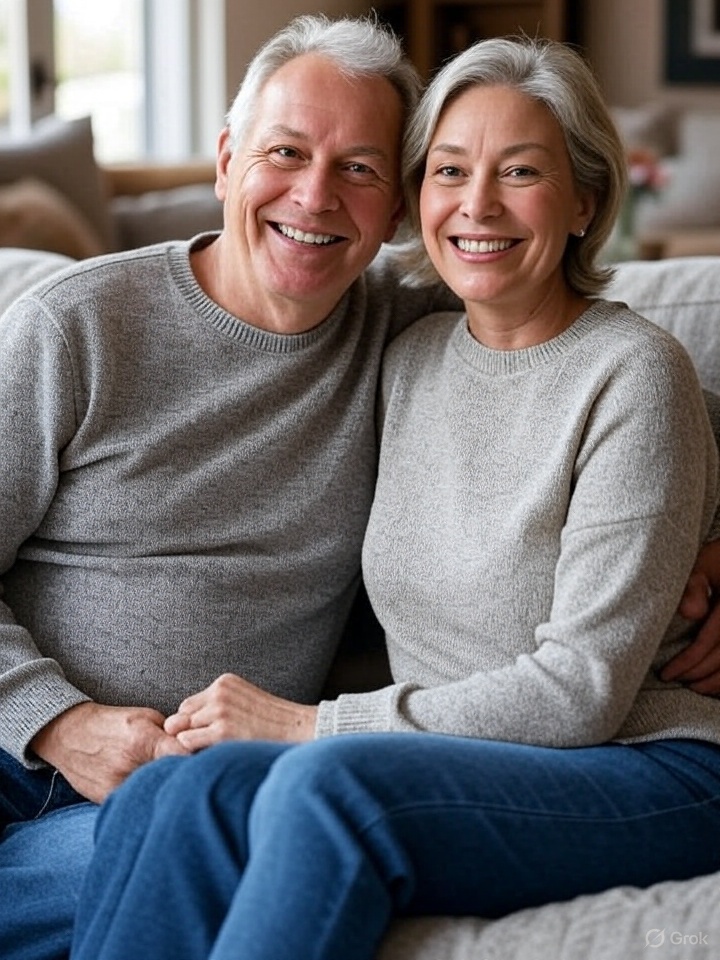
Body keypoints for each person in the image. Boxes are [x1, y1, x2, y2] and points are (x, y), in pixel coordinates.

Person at [69, 35, 720, 960]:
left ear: (585, 201)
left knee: (324, 789)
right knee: (174, 795)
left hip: (645, 765)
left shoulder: (635, 372)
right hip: (458, 762)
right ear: (418, 201)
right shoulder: (408, 355)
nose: (478, 205)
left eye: (521, 172)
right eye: (449, 170)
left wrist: (309, 726)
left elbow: (582, 694)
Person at [0, 14, 455, 960]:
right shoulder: (77, 326)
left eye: (361, 168)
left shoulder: (413, 336)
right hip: (13, 765)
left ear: (400, 208)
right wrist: (54, 723)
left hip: (176, 802)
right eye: (285, 151)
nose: (315, 195)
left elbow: (633, 383)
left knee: (256, 840)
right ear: (225, 159)